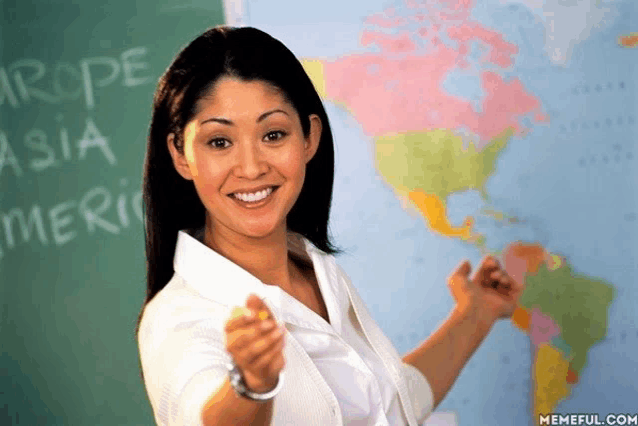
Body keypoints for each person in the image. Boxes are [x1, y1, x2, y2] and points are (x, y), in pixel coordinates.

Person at [136, 25, 523, 426]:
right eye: (219, 142)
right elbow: (203, 416)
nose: (251, 168)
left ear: (309, 138)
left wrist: (476, 313)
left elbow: (386, 408)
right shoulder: (175, 319)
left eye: (273, 134)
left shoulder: (317, 270)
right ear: (180, 155)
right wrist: (250, 387)